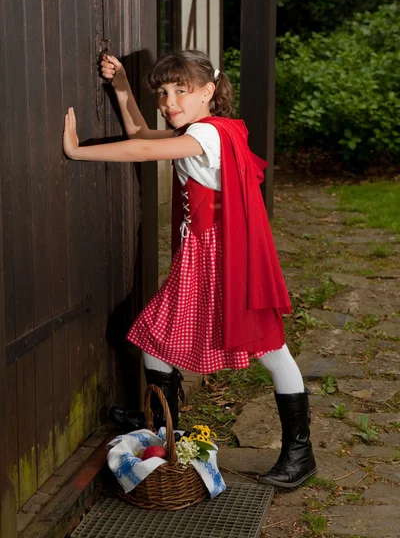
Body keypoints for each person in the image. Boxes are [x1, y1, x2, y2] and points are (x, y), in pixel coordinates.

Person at [63, 49, 316, 488]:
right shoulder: (203, 130)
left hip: (226, 260)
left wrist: (77, 151)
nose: (169, 102)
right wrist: (121, 85)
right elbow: (142, 131)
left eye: (181, 91)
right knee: (156, 340)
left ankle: (300, 453)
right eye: (162, 93)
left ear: (209, 92)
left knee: (272, 350)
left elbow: (143, 146)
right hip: (202, 256)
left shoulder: (209, 133)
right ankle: (167, 436)